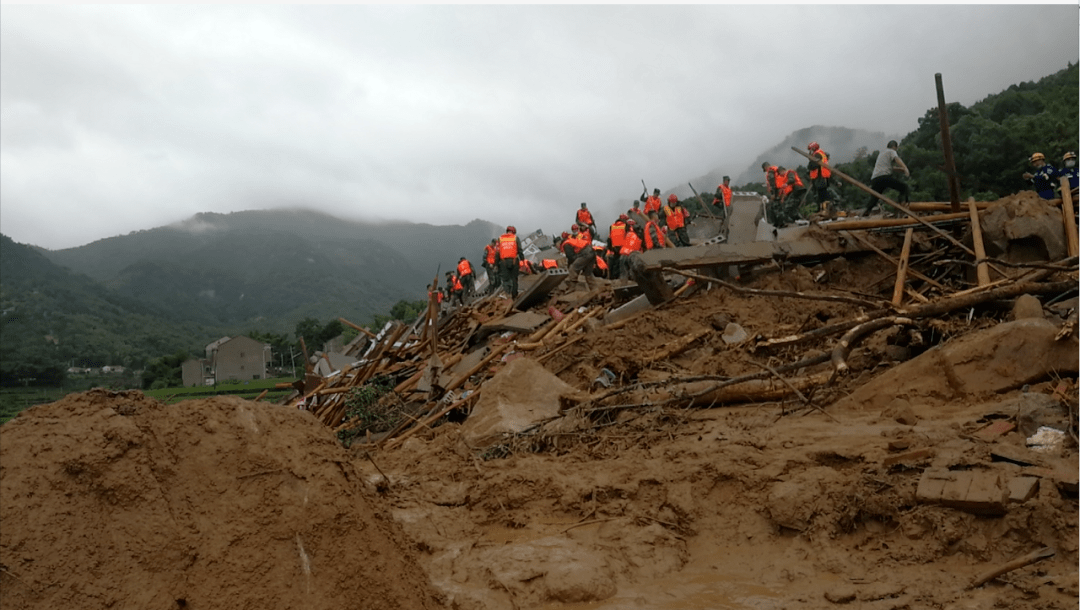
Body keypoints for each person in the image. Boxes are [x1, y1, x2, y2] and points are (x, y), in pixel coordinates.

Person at [863, 140, 911, 216]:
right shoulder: (892, 151)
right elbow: (897, 159)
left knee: (875, 198)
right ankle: (903, 208)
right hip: (884, 177)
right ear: (895, 147)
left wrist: (901, 170)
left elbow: (890, 168)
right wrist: (905, 168)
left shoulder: (882, 154)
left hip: (875, 179)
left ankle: (866, 212)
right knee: (904, 187)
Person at [498, 226, 523, 298]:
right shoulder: (515, 238)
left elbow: (497, 252)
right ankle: (514, 295)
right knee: (514, 278)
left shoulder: (500, 238)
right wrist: (522, 259)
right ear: (513, 232)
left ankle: (508, 296)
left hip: (503, 261)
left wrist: (496, 264)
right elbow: (520, 249)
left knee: (506, 279)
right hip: (514, 260)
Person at [806, 142, 832, 208]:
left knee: (822, 194)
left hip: (820, 176)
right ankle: (824, 208)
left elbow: (812, 166)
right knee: (823, 192)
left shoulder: (817, 154)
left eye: (810, 150)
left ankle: (825, 208)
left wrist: (810, 164)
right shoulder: (820, 153)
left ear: (813, 148)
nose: (810, 152)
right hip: (823, 175)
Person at [607, 214, 628, 279]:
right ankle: (620, 277)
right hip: (622, 247)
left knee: (614, 262)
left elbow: (609, 238)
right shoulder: (625, 226)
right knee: (621, 262)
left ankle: (612, 277)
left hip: (614, 247)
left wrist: (610, 248)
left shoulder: (612, 226)